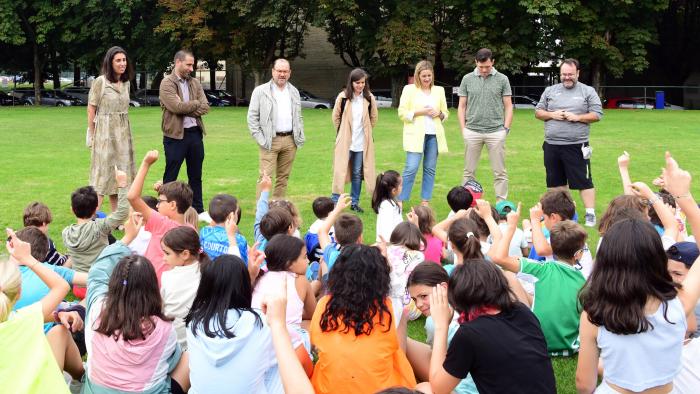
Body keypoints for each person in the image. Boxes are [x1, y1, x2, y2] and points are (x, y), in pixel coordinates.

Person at [576, 152, 700, 393]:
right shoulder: (677, 305)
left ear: (606, 262)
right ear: (657, 258)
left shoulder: (594, 314)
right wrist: (684, 198)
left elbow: (584, 383)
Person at [424, 261, 556, 394]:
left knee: (424, 388)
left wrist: (441, 325)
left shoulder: (469, 334)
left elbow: (438, 388)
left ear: (458, 298)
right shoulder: (523, 312)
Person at [82, 243, 190, 393]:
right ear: (152, 287)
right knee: (189, 357)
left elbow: (96, 275)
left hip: (96, 390)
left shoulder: (97, 309)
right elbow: (172, 364)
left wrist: (123, 242)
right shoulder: (165, 329)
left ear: (113, 284)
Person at [310, 245, 417, 393]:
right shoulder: (389, 307)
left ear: (338, 274)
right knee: (398, 336)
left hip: (328, 389)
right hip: (383, 390)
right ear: (380, 278)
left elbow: (315, 343)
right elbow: (397, 291)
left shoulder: (324, 305)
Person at [491, 205, 587, 356]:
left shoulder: (540, 269)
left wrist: (511, 227)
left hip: (535, 341)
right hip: (571, 346)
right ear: (578, 254)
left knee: (507, 275)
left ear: (552, 248)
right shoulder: (585, 281)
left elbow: (498, 258)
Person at [186, 254, 284, 393]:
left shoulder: (194, 323)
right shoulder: (262, 322)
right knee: (283, 362)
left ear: (206, 286)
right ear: (243, 285)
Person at [1, 229, 81, 393]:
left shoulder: (24, 318)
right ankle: (81, 380)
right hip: (44, 388)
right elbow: (62, 286)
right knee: (60, 331)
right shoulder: (26, 318)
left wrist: (57, 316)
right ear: (19, 292)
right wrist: (27, 258)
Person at [535, 58, 603, 227]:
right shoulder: (550, 91)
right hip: (552, 145)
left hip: (577, 145)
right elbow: (538, 112)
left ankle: (590, 214)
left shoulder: (587, 91)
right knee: (555, 184)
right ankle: (561, 214)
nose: (567, 77)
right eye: (564, 74)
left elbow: (597, 114)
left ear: (578, 73)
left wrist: (578, 117)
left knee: (583, 181)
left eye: (570, 74)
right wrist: (552, 114)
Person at [405, 262, 478, 393]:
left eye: (423, 296)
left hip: (460, 387)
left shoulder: (433, 321)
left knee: (423, 387)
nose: (419, 304)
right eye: (414, 299)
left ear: (443, 288)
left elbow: (439, 366)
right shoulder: (468, 306)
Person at [127, 150, 194, 284]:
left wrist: (146, 164)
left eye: (160, 202)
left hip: (152, 288)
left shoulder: (162, 224)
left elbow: (132, 197)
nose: (157, 206)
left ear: (173, 205)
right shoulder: (191, 230)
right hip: (173, 288)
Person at [62, 169, 130, 299]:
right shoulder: (99, 227)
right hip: (100, 285)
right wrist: (122, 185)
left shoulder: (66, 232)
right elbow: (122, 212)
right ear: (96, 208)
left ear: (72, 210)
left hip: (79, 287)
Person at [457, 48, 513, 201]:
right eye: (481, 67)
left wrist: (505, 129)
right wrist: (464, 130)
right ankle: (466, 204)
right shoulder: (467, 79)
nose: (484, 70)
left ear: (492, 62)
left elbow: (508, 105)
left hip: (496, 132)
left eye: (487, 66)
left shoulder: (502, 79)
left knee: (500, 172)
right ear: (475, 62)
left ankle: (501, 204)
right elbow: (461, 106)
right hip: (472, 131)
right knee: (469, 172)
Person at [159, 49, 210, 214]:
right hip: (175, 136)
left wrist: (188, 105)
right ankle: (164, 208)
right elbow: (176, 106)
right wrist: (194, 104)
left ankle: (198, 211)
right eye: (188, 64)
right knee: (171, 176)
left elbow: (205, 106)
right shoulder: (167, 83)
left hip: (195, 134)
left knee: (196, 175)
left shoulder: (194, 82)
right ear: (178, 62)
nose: (191, 68)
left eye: (192, 65)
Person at [87, 46, 136, 212]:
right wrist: (93, 135)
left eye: (124, 60)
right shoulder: (100, 82)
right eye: (118, 60)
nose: (122, 63)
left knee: (120, 175)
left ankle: (118, 217)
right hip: (104, 134)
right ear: (110, 62)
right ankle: (90, 218)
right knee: (102, 176)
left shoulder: (126, 83)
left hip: (123, 134)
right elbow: (91, 109)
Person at [248, 58, 305, 199]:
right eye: (279, 71)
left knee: (283, 178)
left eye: (285, 71)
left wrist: (299, 135)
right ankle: (261, 213)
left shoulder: (294, 92)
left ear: (290, 73)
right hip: (269, 141)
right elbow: (252, 117)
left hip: (290, 141)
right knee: (265, 177)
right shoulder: (260, 91)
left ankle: (277, 211)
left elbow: (298, 116)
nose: (282, 74)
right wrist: (261, 139)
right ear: (273, 71)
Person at [397, 60, 449, 205]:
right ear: (417, 76)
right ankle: (400, 199)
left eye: (429, 76)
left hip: (434, 135)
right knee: (411, 168)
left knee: (430, 169)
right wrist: (421, 112)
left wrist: (439, 114)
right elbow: (402, 113)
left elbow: (445, 113)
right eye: (424, 76)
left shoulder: (439, 90)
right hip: (415, 136)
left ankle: (425, 200)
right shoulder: (409, 89)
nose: (427, 79)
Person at [331, 68, 378, 213]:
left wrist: (367, 132)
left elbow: (374, 118)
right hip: (346, 141)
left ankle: (354, 202)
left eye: (363, 82)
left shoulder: (369, 98)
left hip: (361, 143)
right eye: (357, 82)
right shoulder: (343, 97)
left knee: (357, 173)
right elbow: (335, 117)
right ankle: (334, 202)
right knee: (340, 170)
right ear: (351, 83)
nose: (360, 85)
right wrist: (342, 133)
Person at [160, 226, 210, 350]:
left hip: (173, 344)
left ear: (185, 254)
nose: (163, 257)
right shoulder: (207, 272)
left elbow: (160, 310)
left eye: (167, 253)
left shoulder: (167, 277)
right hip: (200, 342)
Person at [200, 194, 248, 261]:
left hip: (207, 270)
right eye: (237, 212)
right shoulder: (239, 240)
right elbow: (243, 265)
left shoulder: (204, 232)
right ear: (231, 216)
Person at [23, 201, 69, 265]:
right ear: (44, 223)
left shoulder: (20, 238)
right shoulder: (46, 243)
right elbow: (60, 263)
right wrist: (68, 256)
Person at [372, 170, 404, 242]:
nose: (402, 187)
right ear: (394, 190)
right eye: (401, 185)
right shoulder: (386, 206)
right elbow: (386, 233)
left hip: (394, 243)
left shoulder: (390, 203)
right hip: (389, 245)